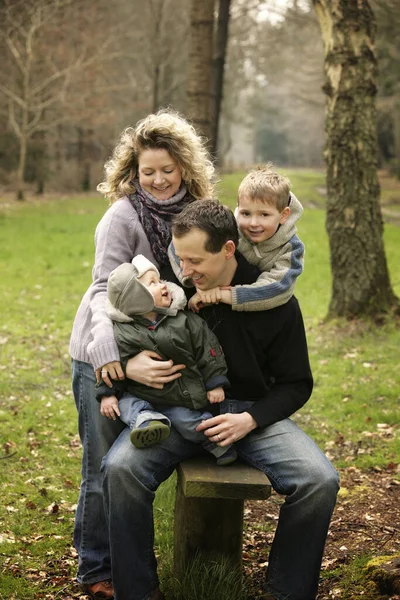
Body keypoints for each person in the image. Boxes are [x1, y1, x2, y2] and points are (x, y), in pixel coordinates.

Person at [101, 199, 340, 600]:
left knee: (320, 480)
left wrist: (250, 420)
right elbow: (113, 315)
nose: (184, 272)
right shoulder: (172, 294)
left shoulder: (274, 301)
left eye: (195, 261)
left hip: (249, 417)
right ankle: (139, 592)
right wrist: (128, 366)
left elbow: (297, 383)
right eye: (180, 259)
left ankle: (286, 592)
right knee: (121, 469)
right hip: (176, 414)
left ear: (228, 250)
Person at [69, 108, 215, 599]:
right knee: (100, 466)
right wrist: (117, 360)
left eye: (166, 170)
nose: (156, 180)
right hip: (103, 351)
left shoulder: (197, 211)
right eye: (146, 171)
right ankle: (96, 568)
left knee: (128, 461)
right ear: (134, 171)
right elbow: (98, 293)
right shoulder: (123, 216)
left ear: (184, 169)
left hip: (156, 350)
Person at [96, 254, 236, 466]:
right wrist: (107, 394)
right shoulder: (123, 333)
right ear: (136, 297)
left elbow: (208, 349)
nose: (163, 285)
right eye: (153, 283)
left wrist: (215, 382)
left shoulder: (184, 322)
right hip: (141, 395)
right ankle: (146, 422)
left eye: (160, 280)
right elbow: (113, 366)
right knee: (125, 405)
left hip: (176, 398)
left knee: (188, 421)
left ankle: (216, 442)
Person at [168, 163, 304, 312]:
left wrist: (223, 294)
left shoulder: (290, 248)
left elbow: (279, 288)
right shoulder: (230, 227)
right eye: (246, 213)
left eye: (264, 215)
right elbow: (178, 246)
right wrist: (195, 282)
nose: (253, 223)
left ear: (284, 215)